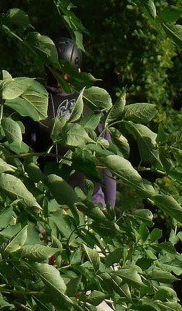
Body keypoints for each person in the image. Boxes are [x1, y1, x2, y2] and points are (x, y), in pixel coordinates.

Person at [26, 37, 117, 207]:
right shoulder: (89, 102)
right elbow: (108, 163)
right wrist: (110, 208)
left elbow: (107, 162)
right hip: (68, 203)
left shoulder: (35, 100)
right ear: (78, 70)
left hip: (62, 203)